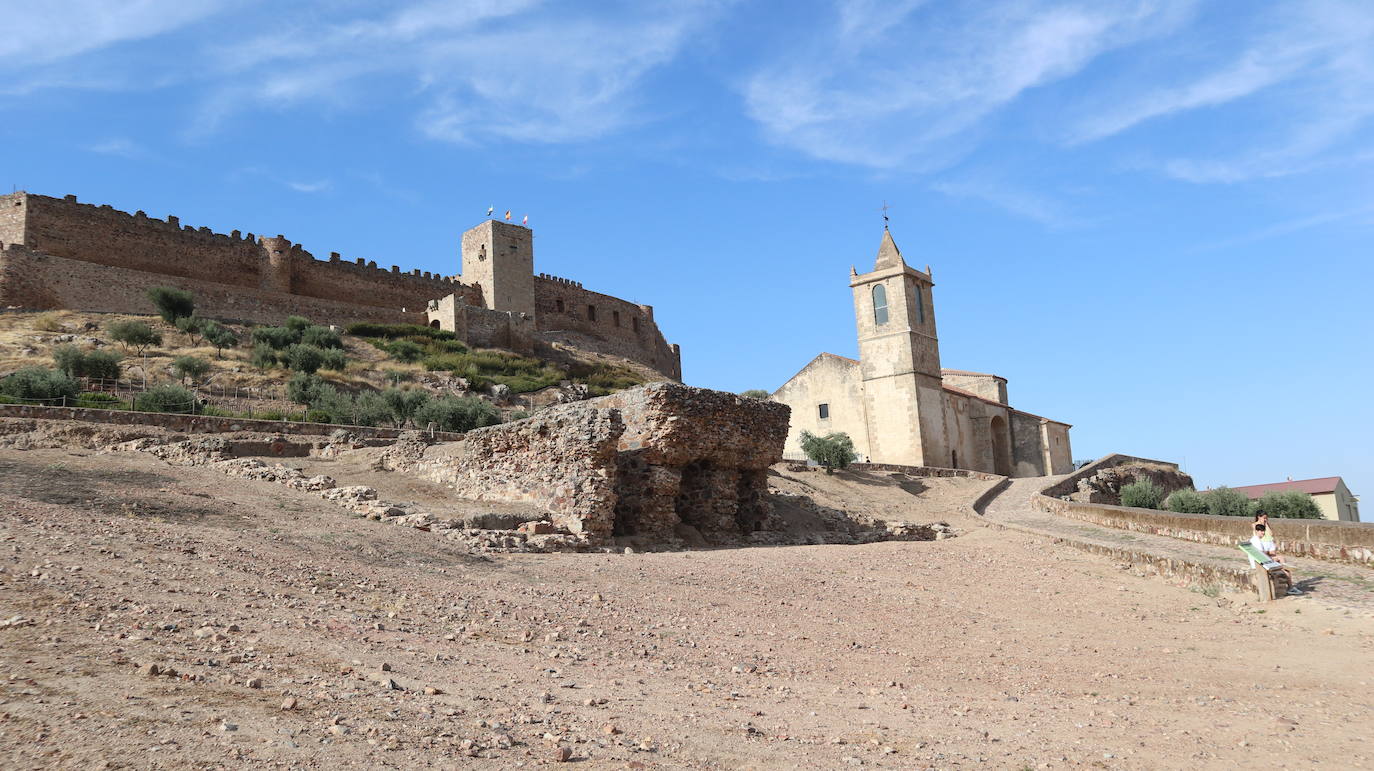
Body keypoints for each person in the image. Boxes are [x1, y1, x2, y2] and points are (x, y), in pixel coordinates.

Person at [1250, 513, 1301, 595]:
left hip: (1263, 559)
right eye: (1261, 531)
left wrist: (1266, 524)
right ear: (1256, 531)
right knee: (1284, 568)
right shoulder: (1256, 540)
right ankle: (1290, 587)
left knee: (1282, 562)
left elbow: (1270, 534)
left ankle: (1289, 586)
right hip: (1261, 562)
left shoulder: (1256, 539)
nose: (1263, 533)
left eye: (1263, 531)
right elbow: (1261, 554)